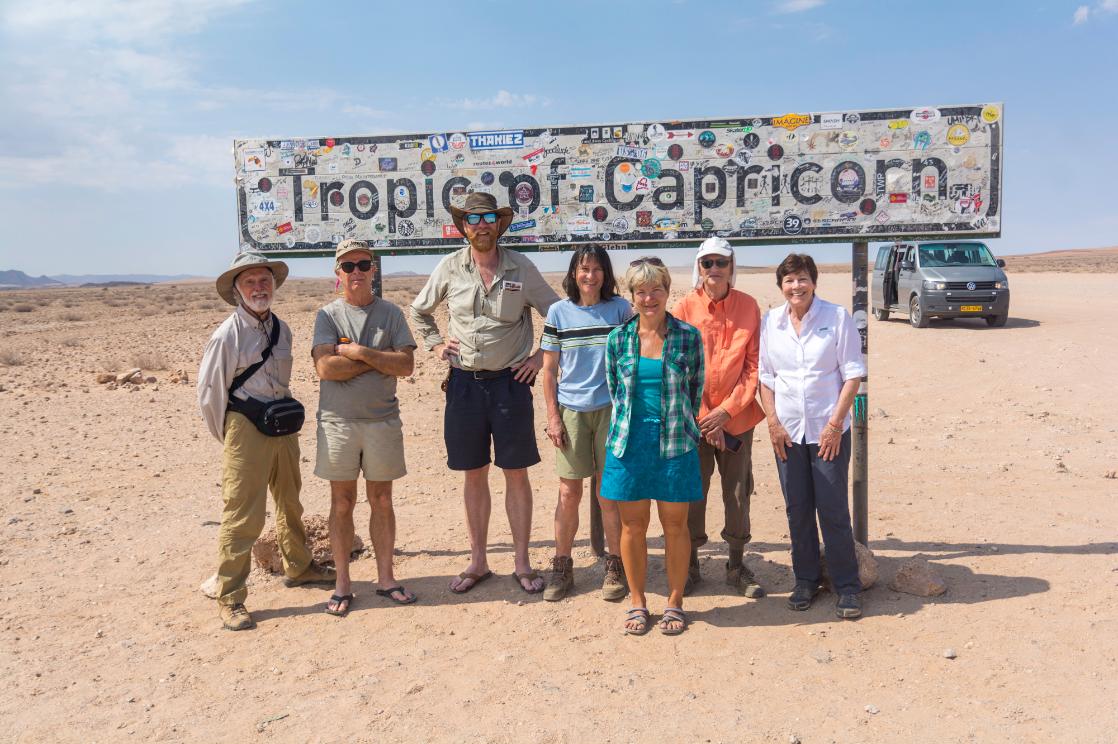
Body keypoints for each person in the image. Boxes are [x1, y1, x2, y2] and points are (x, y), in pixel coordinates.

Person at [409, 192, 560, 594]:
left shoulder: (521, 267)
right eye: (472, 219)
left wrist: (540, 356)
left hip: (511, 386)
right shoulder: (450, 268)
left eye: (488, 217)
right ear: (463, 226)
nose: (481, 225)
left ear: (498, 223)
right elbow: (419, 311)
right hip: (463, 385)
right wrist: (436, 346)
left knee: (516, 473)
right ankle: (478, 561)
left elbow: (558, 315)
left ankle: (523, 563)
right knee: (473, 474)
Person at [197, 252, 335, 631]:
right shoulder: (227, 335)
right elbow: (210, 394)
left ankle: (299, 566)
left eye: (264, 281)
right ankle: (230, 596)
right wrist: (232, 437)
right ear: (237, 290)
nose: (259, 288)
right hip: (245, 425)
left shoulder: (283, 329)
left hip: (282, 423)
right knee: (243, 513)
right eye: (250, 282)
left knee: (290, 498)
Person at [311, 239, 418, 617]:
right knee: (341, 503)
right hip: (338, 423)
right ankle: (343, 583)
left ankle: (386, 578)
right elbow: (325, 369)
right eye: (348, 266)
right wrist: (380, 360)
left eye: (363, 264)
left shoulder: (391, 314)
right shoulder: (327, 316)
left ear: (374, 269)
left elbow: (405, 366)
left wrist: (356, 353)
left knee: (382, 500)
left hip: (381, 421)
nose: (356, 272)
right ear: (338, 274)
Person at [758, 253, 867, 619]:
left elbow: (852, 375)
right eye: (789, 280)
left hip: (827, 431)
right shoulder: (771, 322)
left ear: (814, 282)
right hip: (787, 432)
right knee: (797, 509)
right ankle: (805, 580)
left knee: (833, 511)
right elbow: (766, 377)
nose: (796, 287)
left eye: (802, 279)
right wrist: (772, 421)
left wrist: (835, 424)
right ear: (781, 286)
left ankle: (847, 586)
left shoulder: (836, 318)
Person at [601, 258, 704, 635]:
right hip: (629, 443)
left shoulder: (688, 337)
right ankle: (638, 601)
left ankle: (675, 602)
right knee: (632, 525)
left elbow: (695, 391)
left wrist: (677, 424)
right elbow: (616, 391)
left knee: (676, 526)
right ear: (632, 296)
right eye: (641, 291)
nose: (649, 298)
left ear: (667, 291)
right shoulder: (618, 339)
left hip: (675, 442)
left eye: (656, 289)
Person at [672, 237, 766, 599]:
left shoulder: (749, 307)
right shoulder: (683, 309)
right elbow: (676, 366)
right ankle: (691, 565)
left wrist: (726, 411)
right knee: (693, 491)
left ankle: (737, 564)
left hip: (737, 419)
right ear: (698, 266)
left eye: (721, 262)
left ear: (731, 266)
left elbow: (754, 366)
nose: (714, 269)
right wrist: (702, 417)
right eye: (707, 262)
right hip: (694, 423)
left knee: (739, 491)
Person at [539, 245, 632, 602]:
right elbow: (548, 371)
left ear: (605, 274)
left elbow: (633, 358)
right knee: (568, 492)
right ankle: (562, 566)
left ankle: (615, 565)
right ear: (573, 273)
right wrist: (552, 417)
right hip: (572, 412)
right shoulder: (558, 313)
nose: (589, 276)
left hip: (611, 410)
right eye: (583, 269)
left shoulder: (621, 310)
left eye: (596, 269)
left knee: (608, 495)